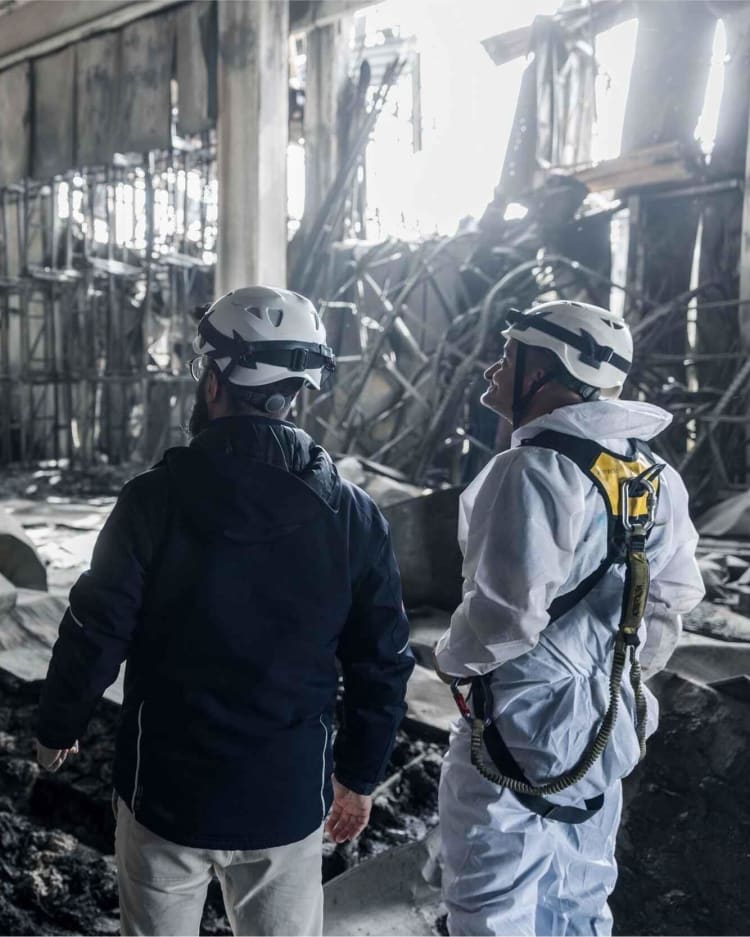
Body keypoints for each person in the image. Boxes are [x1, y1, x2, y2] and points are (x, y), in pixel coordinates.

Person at [35, 286, 415, 937]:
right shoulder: (353, 515)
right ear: (296, 390)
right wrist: (358, 775)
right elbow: (382, 659)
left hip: (166, 796)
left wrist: (57, 724)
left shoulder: (151, 501)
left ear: (214, 380)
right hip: (287, 800)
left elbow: (96, 627)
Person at [434, 300, 704, 936]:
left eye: (509, 355)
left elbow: (504, 618)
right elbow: (673, 596)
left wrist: (452, 663)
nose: (495, 368)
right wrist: (617, 671)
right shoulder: (653, 472)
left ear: (544, 370)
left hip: (519, 718)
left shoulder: (530, 469)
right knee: (578, 890)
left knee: (491, 902)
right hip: (604, 718)